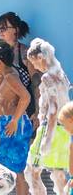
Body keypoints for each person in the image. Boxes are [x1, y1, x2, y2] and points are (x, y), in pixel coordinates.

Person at [0, 40, 32, 193]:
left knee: (17, 170)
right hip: (6, 122)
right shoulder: (2, 73)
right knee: (3, 168)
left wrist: (14, 121)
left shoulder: (10, 76)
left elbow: (26, 97)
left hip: (17, 125)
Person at [24, 38, 71, 195]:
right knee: (58, 173)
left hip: (50, 129)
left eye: (35, 62)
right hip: (64, 129)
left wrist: (46, 139)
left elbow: (52, 109)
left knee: (31, 171)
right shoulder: (61, 74)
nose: (35, 67)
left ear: (40, 57)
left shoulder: (47, 77)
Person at [0, 12, 37, 121]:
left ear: (16, 30)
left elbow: (36, 84)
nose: (0, 31)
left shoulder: (25, 53)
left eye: (3, 28)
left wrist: (38, 111)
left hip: (20, 116)